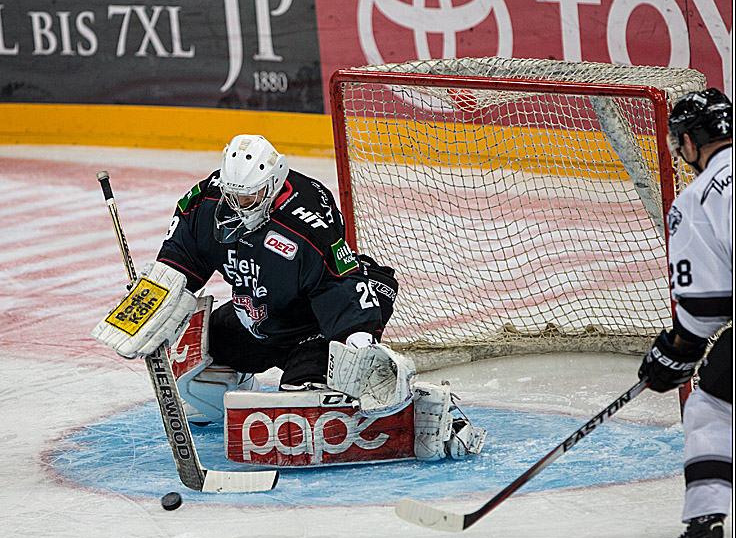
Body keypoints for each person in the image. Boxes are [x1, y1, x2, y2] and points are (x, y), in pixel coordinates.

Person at [92, 135, 485, 461]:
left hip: (312, 328)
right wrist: (147, 304)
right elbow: (178, 260)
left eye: (249, 197)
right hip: (259, 319)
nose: (238, 205)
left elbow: (337, 280)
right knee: (187, 346)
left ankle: (433, 415)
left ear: (274, 182)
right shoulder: (209, 202)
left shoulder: (305, 217)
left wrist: (358, 341)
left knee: (306, 406)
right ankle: (234, 378)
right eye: (233, 195)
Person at [637, 88, 732, 538]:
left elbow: (707, 309)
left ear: (693, 142)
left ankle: (701, 536)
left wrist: (674, 353)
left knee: (711, 407)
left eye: (680, 142)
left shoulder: (697, 198)